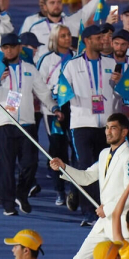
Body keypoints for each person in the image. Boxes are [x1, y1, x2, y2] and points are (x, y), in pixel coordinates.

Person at [49, 113, 129, 259]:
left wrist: (107, 208)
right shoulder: (104, 154)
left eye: (114, 128)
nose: (108, 131)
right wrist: (64, 167)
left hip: (120, 225)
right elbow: (87, 177)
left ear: (124, 132)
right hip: (103, 224)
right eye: (107, 127)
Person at [0, 33, 63, 216]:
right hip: (4, 122)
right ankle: (8, 205)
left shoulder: (29, 68)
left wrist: (53, 107)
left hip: (27, 122)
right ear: (2, 49)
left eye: (13, 46)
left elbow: (42, 92)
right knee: (6, 165)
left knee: (30, 163)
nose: (9, 50)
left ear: (19, 48)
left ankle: (21, 193)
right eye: (5, 47)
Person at [60, 24, 120, 223]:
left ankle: (104, 208)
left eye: (103, 38)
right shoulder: (72, 65)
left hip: (106, 126)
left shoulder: (111, 64)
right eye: (98, 38)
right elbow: (59, 90)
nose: (103, 40)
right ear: (87, 41)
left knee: (105, 169)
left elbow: (120, 93)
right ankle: (88, 212)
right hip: (82, 124)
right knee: (86, 167)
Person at [37, 24, 75, 206]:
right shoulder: (46, 59)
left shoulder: (77, 57)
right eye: (62, 36)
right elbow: (38, 84)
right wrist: (51, 103)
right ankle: (59, 189)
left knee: (76, 150)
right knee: (57, 150)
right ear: (55, 39)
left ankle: (75, 189)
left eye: (68, 35)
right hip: (53, 111)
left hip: (75, 109)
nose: (67, 38)